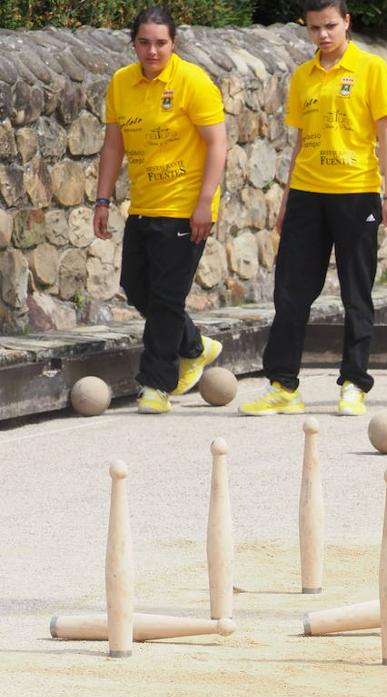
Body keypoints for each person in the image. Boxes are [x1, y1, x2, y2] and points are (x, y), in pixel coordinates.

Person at [240, 0, 387, 417]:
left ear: (347, 22)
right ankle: (283, 385)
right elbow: (300, 144)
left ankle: (353, 382)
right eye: (314, 28)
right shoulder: (302, 77)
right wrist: (287, 199)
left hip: (357, 192)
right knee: (291, 292)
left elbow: (386, 138)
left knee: (355, 292)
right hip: (308, 195)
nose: (323, 35)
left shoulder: (372, 69)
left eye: (330, 26)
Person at [94, 5, 226, 414]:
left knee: (167, 297)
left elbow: (217, 144)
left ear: (174, 43)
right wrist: (102, 199)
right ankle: (194, 345)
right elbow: (114, 145)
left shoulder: (193, 82)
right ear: (134, 42)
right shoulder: (121, 83)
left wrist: (204, 203)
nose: (152, 51)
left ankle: (156, 384)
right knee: (137, 286)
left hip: (187, 207)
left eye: (161, 43)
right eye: (144, 42)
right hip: (144, 205)